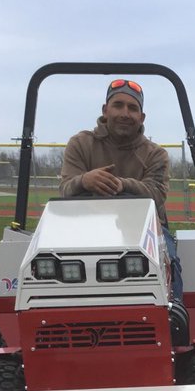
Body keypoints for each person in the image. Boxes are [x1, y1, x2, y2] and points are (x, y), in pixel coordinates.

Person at [59, 79, 182, 300]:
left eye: (132, 108)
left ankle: (173, 313)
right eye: (118, 105)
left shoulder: (155, 154)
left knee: (168, 262)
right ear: (105, 110)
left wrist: (122, 185)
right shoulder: (81, 144)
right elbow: (66, 189)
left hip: (146, 231)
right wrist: (84, 181)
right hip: (85, 226)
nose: (125, 113)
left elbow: (156, 194)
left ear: (141, 117)